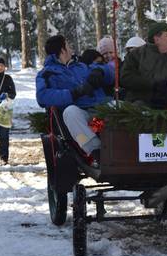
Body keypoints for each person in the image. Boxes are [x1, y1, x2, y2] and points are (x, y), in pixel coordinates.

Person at [36, 35, 114, 166]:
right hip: (80, 115)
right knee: (70, 112)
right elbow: (42, 97)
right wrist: (73, 93)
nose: (71, 49)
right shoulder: (47, 73)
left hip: (100, 110)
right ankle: (96, 152)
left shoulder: (82, 66)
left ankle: (133, 149)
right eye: (68, 46)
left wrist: (100, 71)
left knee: (118, 105)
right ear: (62, 50)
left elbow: (111, 72)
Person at [120, 22, 167, 108]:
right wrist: (152, 84)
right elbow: (125, 78)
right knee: (136, 108)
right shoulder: (136, 55)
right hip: (143, 101)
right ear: (157, 39)